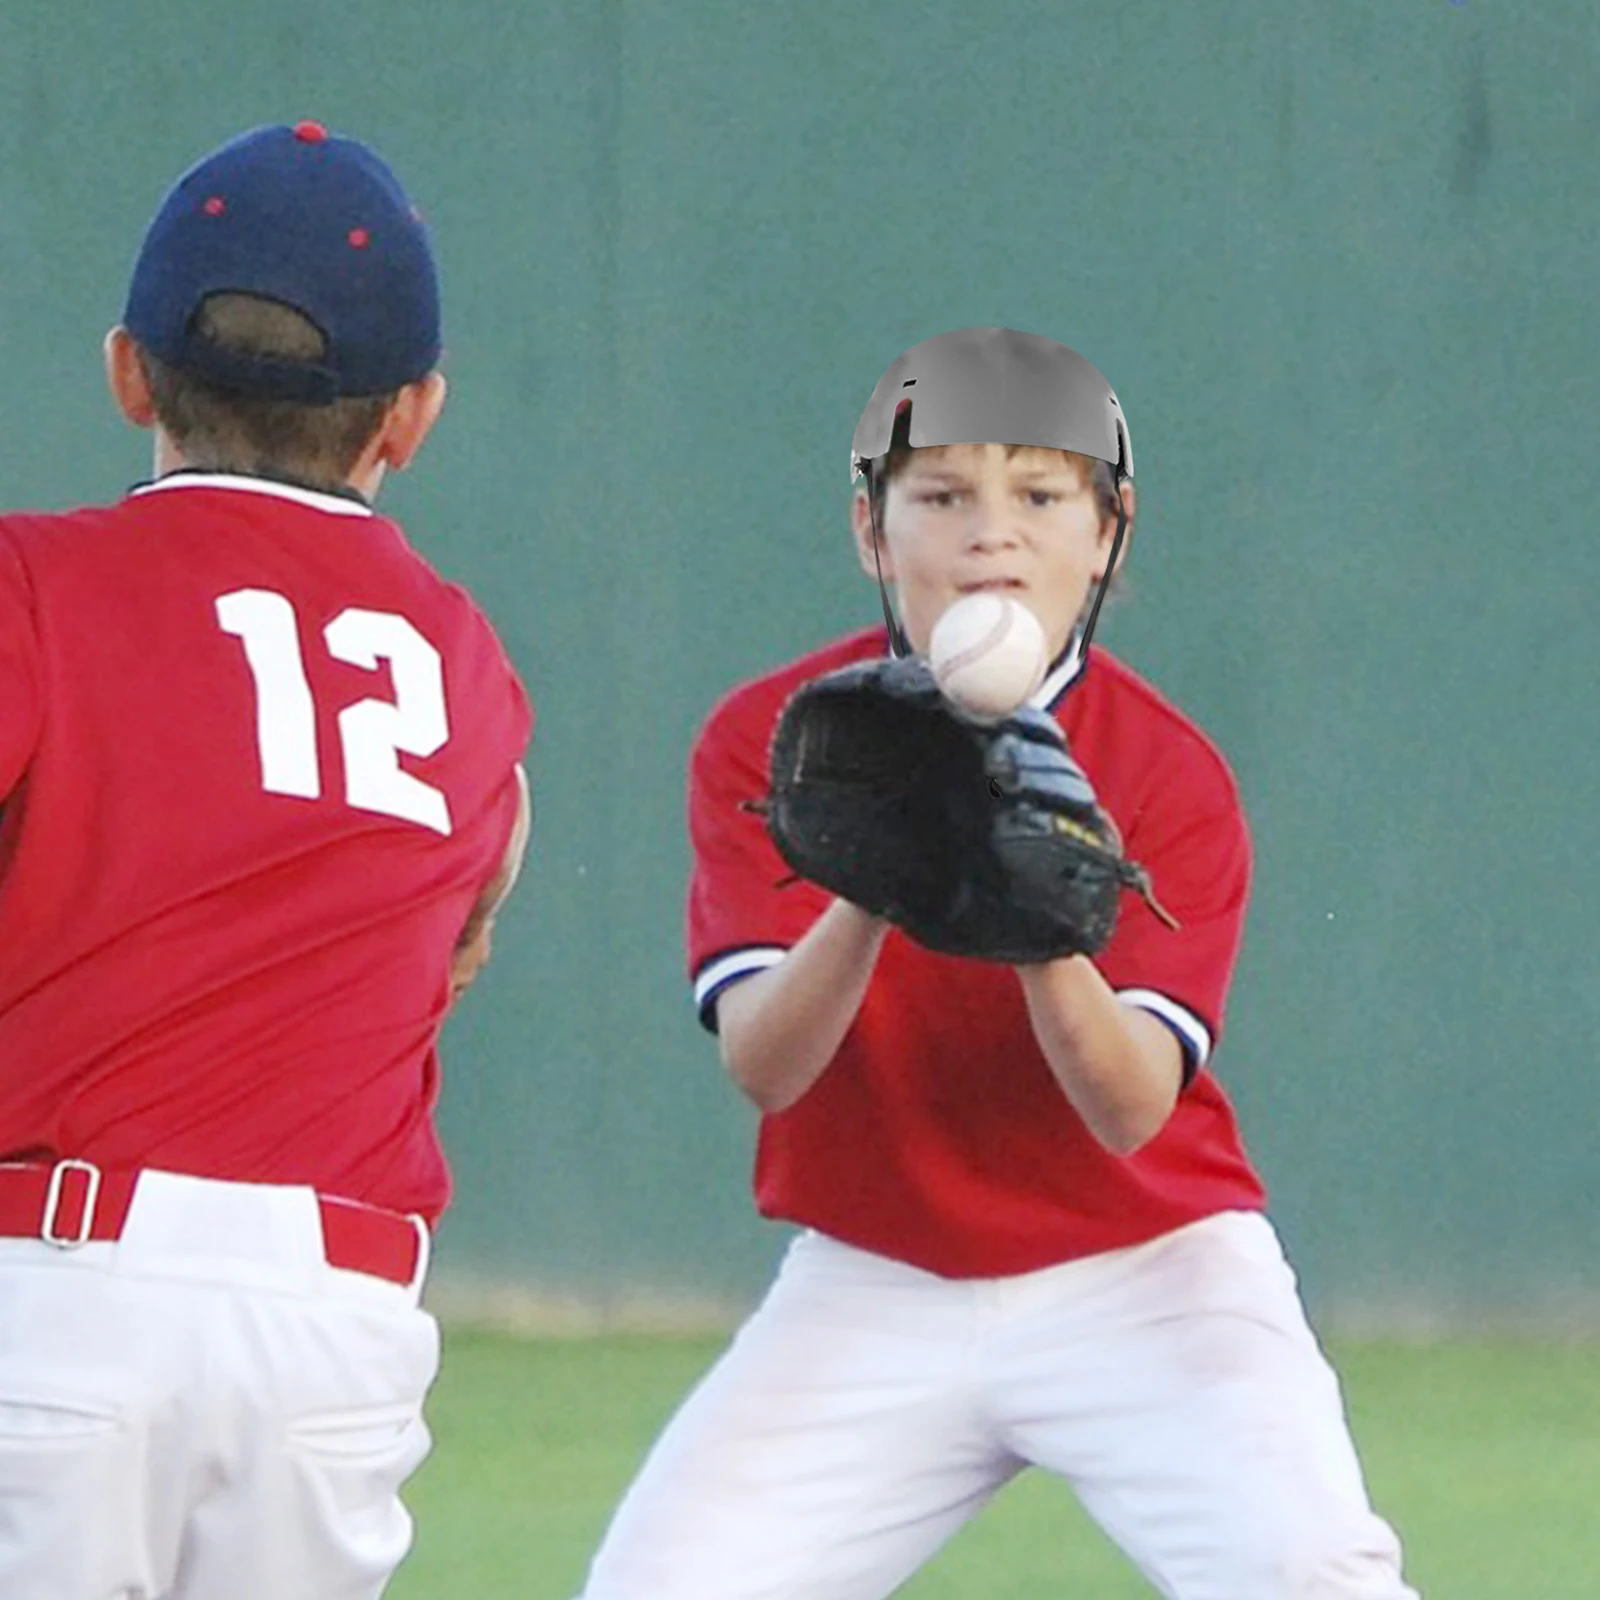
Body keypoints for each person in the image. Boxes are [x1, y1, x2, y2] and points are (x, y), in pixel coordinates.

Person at [577, 328, 1419, 1599]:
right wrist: (872, 875)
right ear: (871, 529)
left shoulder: (1164, 771)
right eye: (940, 495)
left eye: (1039, 494)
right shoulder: (784, 739)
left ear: (1107, 533)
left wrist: (1043, 932)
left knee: (1311, 1573)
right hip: (876, 1278)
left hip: (1147, 1271)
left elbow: (1133, 1106)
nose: (991, 535)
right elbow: (764, 1065)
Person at [0, 122, 532, 1600]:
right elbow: (478, 893)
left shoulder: (33, 585)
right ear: (410, 417)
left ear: (127, 372)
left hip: (61, 1286)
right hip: (330, 1327)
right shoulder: (462, 657)